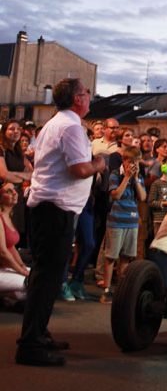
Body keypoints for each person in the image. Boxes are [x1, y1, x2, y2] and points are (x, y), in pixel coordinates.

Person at [15, 78, 106, 367]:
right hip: (55, 210)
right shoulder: (70, 127)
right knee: (46, 278)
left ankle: (38, 333)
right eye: (86, 92)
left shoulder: (56, 123)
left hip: (51, 208)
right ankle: (30, 345)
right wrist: (100, 163)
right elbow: (79, 169)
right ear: (77, 99)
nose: (90, 97)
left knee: (48, 276)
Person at [99, 147, 146, 304]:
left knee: (126, 257)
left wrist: (137, 178)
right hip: (117, 221)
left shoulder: (137, 177)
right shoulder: (115, 174)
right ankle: (106, 290)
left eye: (136, 162)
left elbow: (143, 197)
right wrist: (126, 177)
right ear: (124, 161)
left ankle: (121, 289)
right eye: (131, 161)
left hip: (131, 221)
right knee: (111, 256)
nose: (133, 165)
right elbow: (116, 195)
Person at [0, 183, 30, 307]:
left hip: (5, 268)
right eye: (8, 191)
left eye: (14, 190)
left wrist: (23, 266)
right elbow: (3, 252)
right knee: (32, 284)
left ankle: (7, 297)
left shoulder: (8, 216)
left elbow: (11, 247)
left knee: (43, 280)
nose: (14, 193)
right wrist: (22, 272)